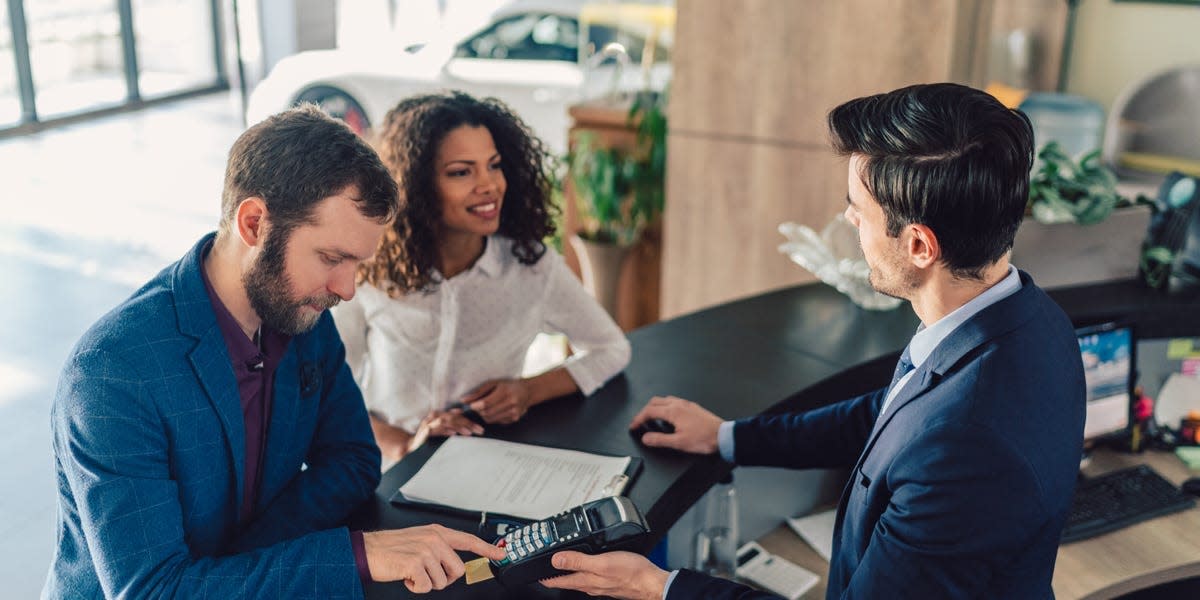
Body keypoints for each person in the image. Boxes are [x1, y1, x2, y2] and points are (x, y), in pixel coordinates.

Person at [543, 83, 1087, 599]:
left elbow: (935, 439)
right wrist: (730, 438)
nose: (849, 218)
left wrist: (658, 587)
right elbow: (893, 415)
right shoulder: (1029, 320)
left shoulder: (967, 444)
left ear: (920, 245)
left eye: (859, 206)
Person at [44, 105, 505, 599]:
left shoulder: (304, 313)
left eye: (356, 263)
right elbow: (152, 592)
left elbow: (353, 461)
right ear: (254, 223)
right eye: (332, 258)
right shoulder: (113, 374)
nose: (347, 289)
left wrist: (244, 565)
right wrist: (357, 556)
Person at [332, 91, 631, 463]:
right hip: (386, 470)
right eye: (461, 172)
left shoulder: (531, 266)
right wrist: (402, 445)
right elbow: (330, 393)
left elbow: (611, 349)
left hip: (484, 468)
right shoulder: (369, 267)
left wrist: (527, 391)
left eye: (494, 165)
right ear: (415, 185)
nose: (489, 185)